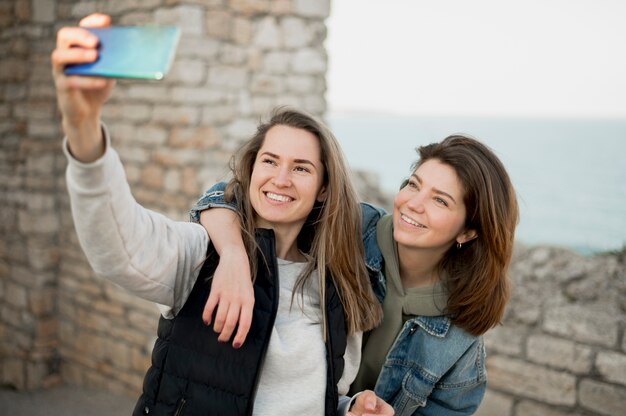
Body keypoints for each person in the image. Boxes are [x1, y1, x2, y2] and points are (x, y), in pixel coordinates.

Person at [52, 13, 392, 416]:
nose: (280, 178)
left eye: (301, 167)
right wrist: (83, 126)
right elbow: (118, 245)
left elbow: (321, 398)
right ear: (251, 171)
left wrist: (350, 408)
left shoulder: (341, 287)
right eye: (270, 161)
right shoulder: (202, 253)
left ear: (322, 189)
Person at [193, 134, 519, 415]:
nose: (413, 204)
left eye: (440, 201)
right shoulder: (347, 225)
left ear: (468, 232)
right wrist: (234, 257)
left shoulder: (460, 340)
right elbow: (230, 196)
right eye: (413, 185)